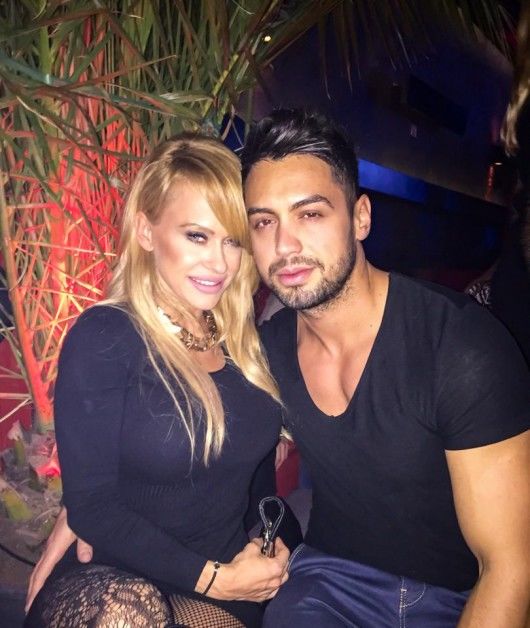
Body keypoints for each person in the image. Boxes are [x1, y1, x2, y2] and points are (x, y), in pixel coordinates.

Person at [29, 110, 530, 627]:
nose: (285, 246)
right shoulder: (262, 350)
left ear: (360, 217)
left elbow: (512, 564)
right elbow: (137, 461)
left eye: (310, 214)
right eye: (263, 223)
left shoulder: (457, 347)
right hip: (322, 585)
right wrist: (86, 505)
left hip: (440, 598)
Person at [24, 133, 300, 628]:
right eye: (197, 236)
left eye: (232, 240)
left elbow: (253, 479)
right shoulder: (107, 335)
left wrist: (267, 539)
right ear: (146, 231)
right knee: (125, 615)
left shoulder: (247, 347)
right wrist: (214, 579)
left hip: (224, 570)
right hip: (114, 570)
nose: (219, 263)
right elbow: (92, 506)